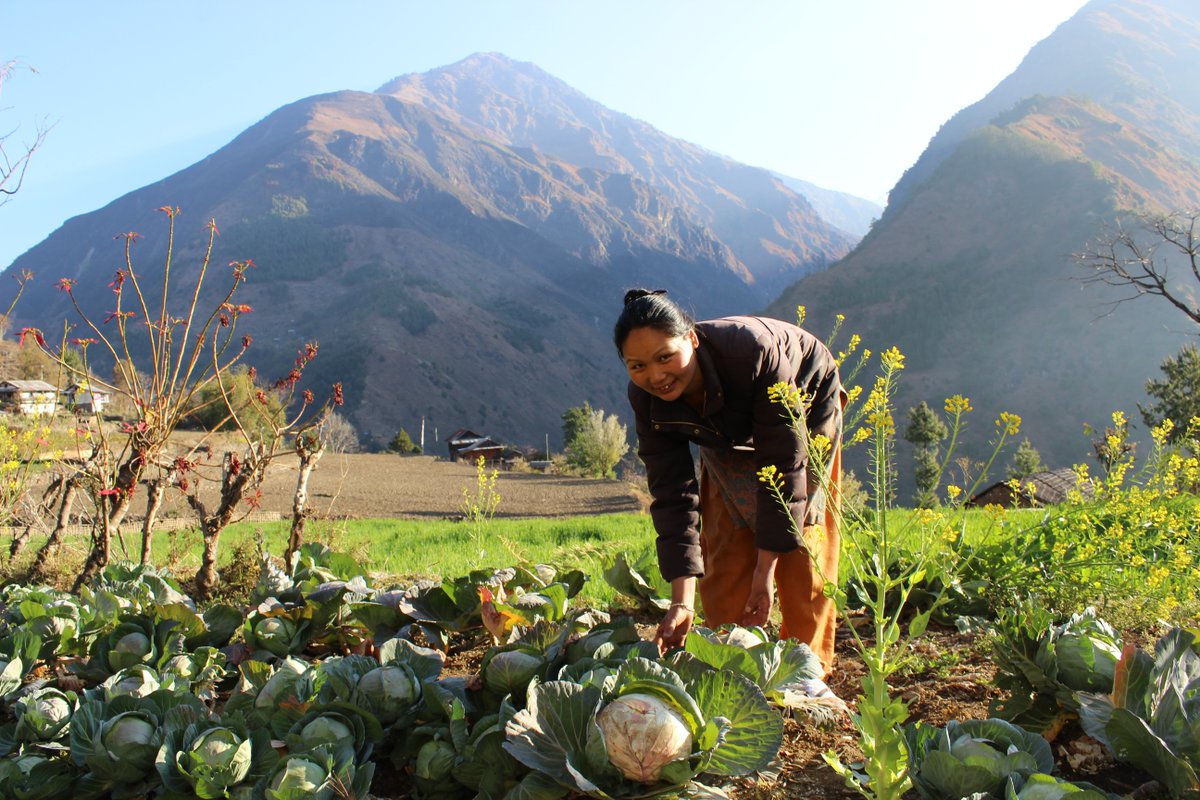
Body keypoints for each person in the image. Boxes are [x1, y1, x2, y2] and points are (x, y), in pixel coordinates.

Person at [614, 288, 845, 674]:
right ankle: (730, 660)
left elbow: (784, 468)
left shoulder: (752, 352)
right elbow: (672, 495)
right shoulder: (648, 398)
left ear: (691, 337)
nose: (655, 375)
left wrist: (764, 575)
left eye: (664, 357)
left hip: (803, 398)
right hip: (721, 424)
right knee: (725, 536)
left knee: (802, 537)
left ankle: (807, 671)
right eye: (637, 366)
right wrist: (681, 602)